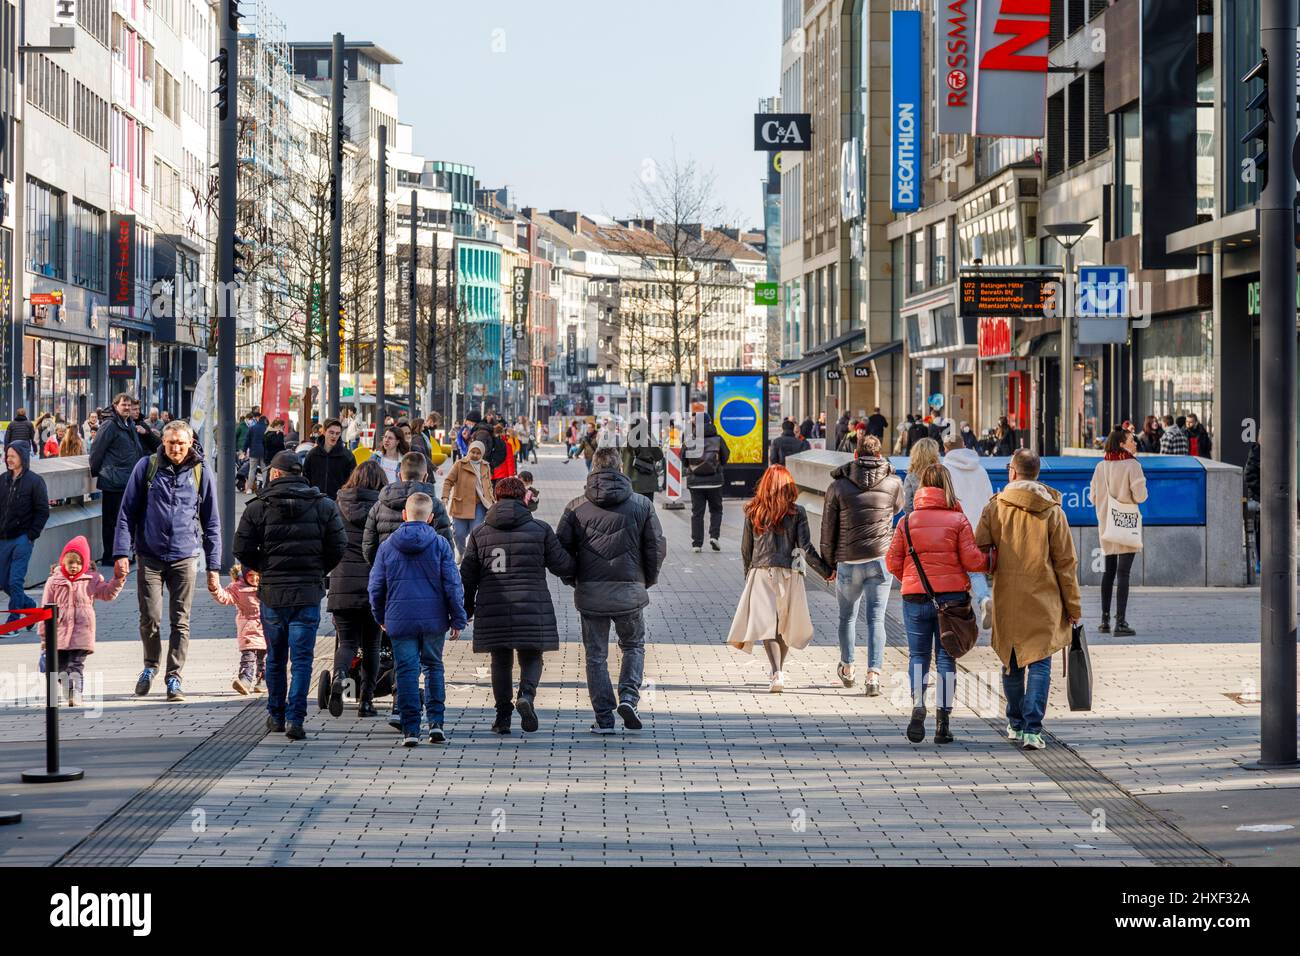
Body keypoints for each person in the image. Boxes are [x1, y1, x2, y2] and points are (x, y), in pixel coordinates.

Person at [234, 450, 347, 741]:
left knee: (275, 658)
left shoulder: (258, 507)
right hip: (307, 592)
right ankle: (296, 719)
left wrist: (264, 567)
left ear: (274, 474)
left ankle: (276, 715)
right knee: (302, 660)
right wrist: (319, 569)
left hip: (273, 593)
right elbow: (338, 545)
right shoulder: (323, 505)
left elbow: (241, 547)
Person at [974, 449, 1082, 751]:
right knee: (1040, 662)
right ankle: (1033, 729)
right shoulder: (1053, 511)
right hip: (1044, 599)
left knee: (1011, 663)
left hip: (1008, 597)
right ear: (1036, 475)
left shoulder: (995, 508)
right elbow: (1065, 564)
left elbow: (979, 548)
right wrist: (1073, 607)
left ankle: (1016, 722)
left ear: (1012, 473)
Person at [557, 446, 666, 734]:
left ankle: (604, 718)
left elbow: (560, 552)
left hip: (591, 593)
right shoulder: (641, 504)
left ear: (593, 469)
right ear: (621, 469)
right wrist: (647, 580)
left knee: (595, 656)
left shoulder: (575, 506)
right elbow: (656, 547)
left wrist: (575, 579)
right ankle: (629, 697)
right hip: (630, 591)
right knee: (633, 646)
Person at [114, 420, 222, 702]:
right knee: (149, 617)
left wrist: (214, 567)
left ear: (190, 444)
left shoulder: (200, 471)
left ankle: (174, 676)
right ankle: (150, 665)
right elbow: (126, 513)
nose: (175, 448)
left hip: (185, 556)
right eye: (171, 442)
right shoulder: (146, 467)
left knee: (180, 621)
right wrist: (122, 554)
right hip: (149, 555)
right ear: (163, 441)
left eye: (181, 443)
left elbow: (211, 522)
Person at [460, 476, 574, 735]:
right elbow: (562, 565)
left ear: (496, 499)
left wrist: (465, 610)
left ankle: (502, 718)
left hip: (493, 606)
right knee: (532, 654)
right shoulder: (541, 530)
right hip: (532, 605)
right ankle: (527, 695)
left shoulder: (479, 533)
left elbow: (467, 576)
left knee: (500, 660)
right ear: (524, 498)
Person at [886, 464, 987, 745]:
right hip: (951, 601)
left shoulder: (906, 521)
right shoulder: (958, 520)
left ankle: (919, 704)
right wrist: (992, 561)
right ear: (947, 486)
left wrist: (910, 579)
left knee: (918, 656)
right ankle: (943, 723)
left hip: (915, 598)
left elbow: (892, 561)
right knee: (946, 657)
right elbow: (972, 561)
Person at [368, 492, 466, 746]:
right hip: (434, 619)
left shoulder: (388, 546)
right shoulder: (441, 544)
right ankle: (436, 723)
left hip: (399, 619)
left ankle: (411, 729)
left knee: (406, 671)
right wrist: (458, 618)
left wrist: (380, 616)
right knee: (433, 667)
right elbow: (453, 585)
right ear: (431, 518)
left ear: (404, 515)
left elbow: (376, 586)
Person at [728, 464, 832, 693]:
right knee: (783, 624)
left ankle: (776, 672)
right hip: (788, 573)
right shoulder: (797, 512)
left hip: (761, 572)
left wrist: (749, 576)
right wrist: (826, 571)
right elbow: (805, 548)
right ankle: (779, 671)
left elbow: (746, 549)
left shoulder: (753, 511)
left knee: (767, 626)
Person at [821, 434, 904, 695]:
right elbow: (898, 508)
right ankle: (873, 675)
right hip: (880, 560)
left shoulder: (838, 486)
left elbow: (827, 530)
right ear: (880, 455)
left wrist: (828, 565)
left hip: (848, 560)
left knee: (847, 618)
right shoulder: (893, 482)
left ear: (855, 455)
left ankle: (847, 667)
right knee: (876, 619)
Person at [328, 459, 388, 719]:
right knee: (372, 645)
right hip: (373, 583)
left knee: (348, 642)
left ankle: (340, 676)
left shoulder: (336, 505)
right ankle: (366, 701)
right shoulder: (383, 508)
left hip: (342, 582)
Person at [40, 536, 126, 706]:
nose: (74, 566)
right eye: (70, 562)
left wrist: (118, 579)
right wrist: (44, 637)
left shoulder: (92, 579)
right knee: (58, 667)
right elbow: (45, 608)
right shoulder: (53, 581)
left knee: (76, 664)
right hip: (60, 632)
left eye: (78, 563)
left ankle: (76, 693)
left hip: (82, 631)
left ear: (85, 563)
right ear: (63, 561)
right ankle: (68, 687)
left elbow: (107, 593)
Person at [1090, 426, 1148, 636]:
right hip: (1126, 524)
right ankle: (1120, 622)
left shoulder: (1100, 467)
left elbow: (1093, 497)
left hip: (1106, 525)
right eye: (1132, 440)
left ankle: (1104, 620)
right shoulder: (1133, 465)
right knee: (1123, 573)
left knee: (1109, 571)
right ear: (1122, 444)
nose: (1135, 443)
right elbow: (1141, 496)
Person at [89, 393, 155, 566]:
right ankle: (110, 555)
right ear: (115, 406)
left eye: (129, 405)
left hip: (128, 479)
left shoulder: (129, 424)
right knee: (111, 521)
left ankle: (121, 553)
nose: (127, 408)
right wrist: (96, 472)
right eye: (123, 405)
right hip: (113, 480)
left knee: (126, 519)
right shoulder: (110, 425)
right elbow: (96, 450)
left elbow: (136, 449)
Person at [942, 436, 996, 628]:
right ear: (964, 446)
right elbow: (991, 500)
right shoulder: (980, 469)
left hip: (954, 525)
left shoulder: (945, 469)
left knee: (953, 570)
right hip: (978, 526)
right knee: (973, 568)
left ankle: (959, 615)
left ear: (945, 449)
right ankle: (983, 599)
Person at [0, 441, 50, 626]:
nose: (8, 459)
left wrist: (31, 536)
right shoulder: (2, 480)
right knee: (3, 582)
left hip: (23, 539)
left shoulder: (35, 482)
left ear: (23, 457)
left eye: (12, 456)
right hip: (3, 538)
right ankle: (30, 608)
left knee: (15, 581)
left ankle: (13, 622)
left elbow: (43, 511)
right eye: (7, 456)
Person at [209, 565, 266, 696]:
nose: (255, 579)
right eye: (250, 575)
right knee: (248, 656)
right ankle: (245, 679)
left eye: (257, 575)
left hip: (267, 625)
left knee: (264, 656)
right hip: (248, 627)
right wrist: (214, 586)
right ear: (244, 575)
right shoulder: (238, 587)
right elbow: (224, 597)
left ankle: (263, 678)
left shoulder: (268, 585)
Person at [682, 413, 730, 552]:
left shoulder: (690, 440)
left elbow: (684, 461)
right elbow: (725, 457)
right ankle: (714, 536)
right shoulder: (718, 439)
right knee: (716, 510)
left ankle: (697, 544)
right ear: (710, 422)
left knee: (697, 513)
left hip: (695, 483)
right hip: (715, 481)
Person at [441, 440, 496, 555]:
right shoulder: (460, 464)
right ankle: (461, 552)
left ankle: (472, 557)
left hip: (480, 504)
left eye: (478, 453)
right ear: (468, 451)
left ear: (482, 454)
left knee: (476, 533)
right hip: (461, 504)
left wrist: (492, 500)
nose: (475, 455)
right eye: (473, 452)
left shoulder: (485, 466)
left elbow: (488, 485)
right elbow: (448, 481)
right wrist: (445, 497)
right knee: (459, 533)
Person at [302, 418, 356, 499]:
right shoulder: (312, 454)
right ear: (324, 432)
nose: (334, 436)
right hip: (316, 501)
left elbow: (353, 481)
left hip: (338, 502)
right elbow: (305, 478)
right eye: (331, 432)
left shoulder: (347, 456)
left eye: (337, 433)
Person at [621, 419, 664, 502]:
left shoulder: (625, 445)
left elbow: (622, 460)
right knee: (647, 511)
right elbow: (659, 456)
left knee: (633, 511)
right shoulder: (649, 443)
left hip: (630, 484)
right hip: (647, 484)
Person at [902, 437, 941, 514]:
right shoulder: (942, 473)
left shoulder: (911, 476)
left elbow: (907, 504)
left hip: (918, 517)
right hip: (940, 516)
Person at [244, 414, 268, 493]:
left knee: (252, 470)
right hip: (264, 452)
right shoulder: (266, 429)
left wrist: (244, 450)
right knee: (264, 470)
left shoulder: (252, 428)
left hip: (253, 451)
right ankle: (264, 487)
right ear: (264, 421)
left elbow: (247, 440)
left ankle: (249, 489)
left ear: (258, 420)